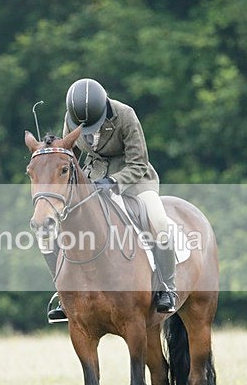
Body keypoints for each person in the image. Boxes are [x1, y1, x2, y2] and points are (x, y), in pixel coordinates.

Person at [43, 78, 177, 321]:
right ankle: (64, 294)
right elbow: (68, 158)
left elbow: (139, 163)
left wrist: (114, 182)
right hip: (93, 183)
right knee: (61, 227)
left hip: (134, 181)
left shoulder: (126, 115)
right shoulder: (70, 119)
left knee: (158, 221)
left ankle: (167, 287)